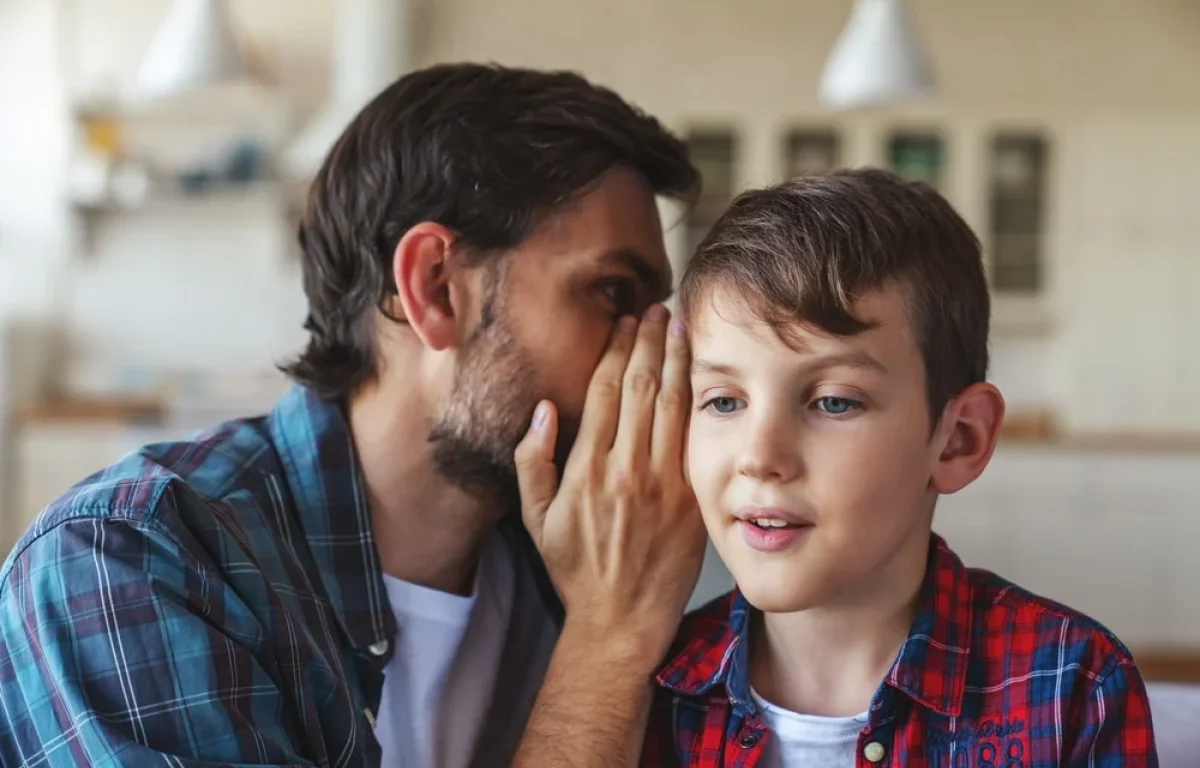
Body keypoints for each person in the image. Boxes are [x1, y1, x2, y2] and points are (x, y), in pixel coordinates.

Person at [0, 63, 710, 768]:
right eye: (613, 294)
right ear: (433, 288)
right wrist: (606, 644)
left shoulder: (589, 561)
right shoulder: (131, 557)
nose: (659, 355)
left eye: (660, 313)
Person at [638, 169, 1159, 767]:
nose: (760, 457)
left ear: (957, 440)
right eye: (724, 401)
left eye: (833, 401)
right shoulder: (646, 691)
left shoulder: (1077, 687)